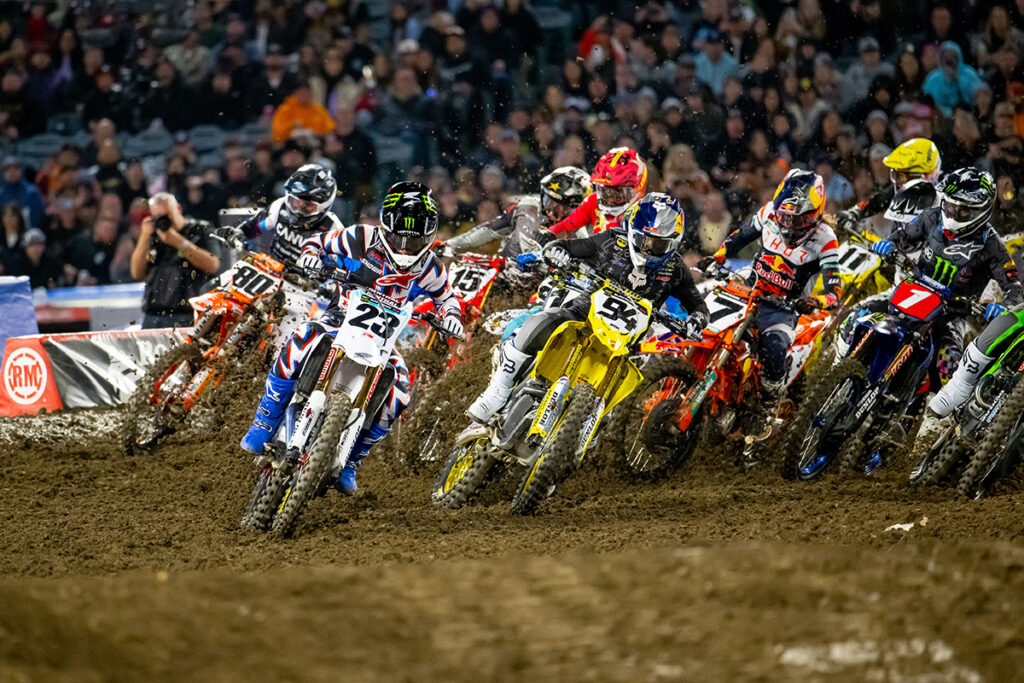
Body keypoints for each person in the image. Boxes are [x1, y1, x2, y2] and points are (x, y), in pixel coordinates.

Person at [240, 182, 464, 495]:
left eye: (413, 242)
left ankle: (352, 460)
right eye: (399, 239)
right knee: (301, 338)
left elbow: (447, 298)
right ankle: (264, 422)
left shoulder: (430, 266)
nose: (404, 249)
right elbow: (318, 242)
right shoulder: (361, 237)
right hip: (339, 319)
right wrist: (311, 258)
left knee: (400, 394)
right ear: (386, 225)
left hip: (382, 341)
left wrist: (451, 317)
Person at [467, 193, 710, 423]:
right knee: (544, 320)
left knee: (634, 387)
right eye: (643, 240)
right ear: (631, 232)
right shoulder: (611, 241)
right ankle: (498, 389)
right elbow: (566, 247)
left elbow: (699, 305)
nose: (648, 248)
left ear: (673, 244)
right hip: (583, 314)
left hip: (626, 343)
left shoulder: (676, 269)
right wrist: (557, 252)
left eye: (658, 245)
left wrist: (696, 320)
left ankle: (595, 425)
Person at [844, 168, 1022, 385]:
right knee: (854, 319)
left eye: (963, 210)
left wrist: (1003, 308)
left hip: (953, 313)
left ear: (981, 210)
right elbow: (903, 237)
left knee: (947, 370)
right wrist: (889, 244)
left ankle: (933, 404)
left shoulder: (992, 245)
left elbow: (1014, 288)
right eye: (950, 205)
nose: (954, 213)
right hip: (912, 293)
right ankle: (835, 374)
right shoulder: (932, 216)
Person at [702, 170, 842, 406]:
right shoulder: (769, 212)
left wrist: (816, 301)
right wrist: (718, 256)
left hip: (785, 307)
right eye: (784, 218)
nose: (788, 225)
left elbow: (834, 292)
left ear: (814, 215)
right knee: (707, 318)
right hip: (750, 289)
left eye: (797, 220)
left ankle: (769, 404)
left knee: (774, 348)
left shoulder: (826, 239)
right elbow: (741, 236)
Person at [446, 166, 591, 256]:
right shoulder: (528, 206)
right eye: (550, 202)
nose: (553, 212)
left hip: (539, 291)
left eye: (564, 208)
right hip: (502, 277)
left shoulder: (581, 235)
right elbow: (489, 230)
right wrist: (450, 244)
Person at [129, 192, 224, 329]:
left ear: (178, 209)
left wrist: (179, 242)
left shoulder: (200, 229)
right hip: (153, 315)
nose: (163, 221)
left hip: (188, 314)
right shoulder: (154, 236)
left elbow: (213, 265)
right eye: (157, 217)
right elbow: (136, 273)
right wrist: (144, 237)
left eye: (167, 215)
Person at [835, 138, 941, 237]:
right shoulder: (900, 190)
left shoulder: (944, 200)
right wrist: (855, 212)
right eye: (899, 175)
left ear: (928, 176)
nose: (903, 182)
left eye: (908, 176)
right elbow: (877, 201)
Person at [546, 147, 647, 238]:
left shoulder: (647, 212)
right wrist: (547, 234)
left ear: (638, 189)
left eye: (618, 193)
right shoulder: (593, 201)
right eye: (604, 191)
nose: (610, 199)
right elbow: (566, 225)